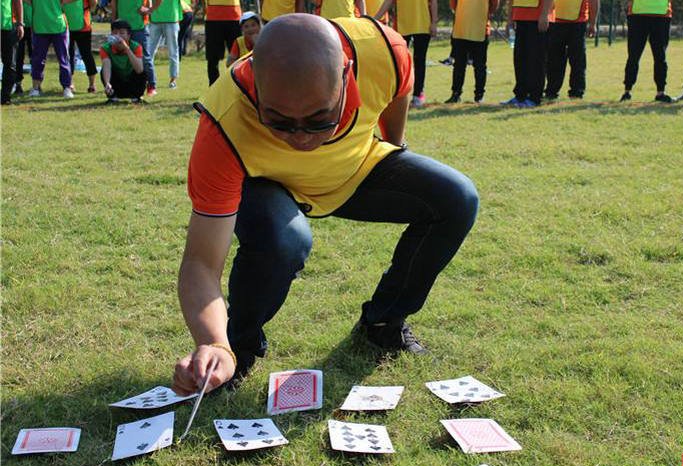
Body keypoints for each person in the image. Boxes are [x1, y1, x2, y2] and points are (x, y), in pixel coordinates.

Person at [171, 14, 478, 395]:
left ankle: (383, 323)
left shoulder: (385, 51)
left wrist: (394, 146)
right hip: (269, 185)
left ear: (346, 74)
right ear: (257, 87)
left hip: (354, 168)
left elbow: (400, 90)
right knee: (286, 240)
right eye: (279, 122)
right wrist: (213, 341)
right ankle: (236, 350)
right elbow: (201, 263)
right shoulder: (224, 123)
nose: (301, 138)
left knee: (457, 198)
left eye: (320, 119)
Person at [375, 0, 437, 108]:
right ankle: (399, 95)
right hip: (402, 26)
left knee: (419, 61)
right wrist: (375, 19)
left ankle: (418, 94)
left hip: (422, 25)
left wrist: (434, 23)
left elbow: (433, 2)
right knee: (399, 63)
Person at [501, 0, 554, 107]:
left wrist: (544, 15)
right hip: (520, 17)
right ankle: (520, 95)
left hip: (537, 18)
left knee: (536, 60)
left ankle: (534, 97)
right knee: (520, 59)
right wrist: (510, 19)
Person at [620, 0, 674, 103]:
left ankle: (660, 92)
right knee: (634, 56)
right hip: (638, 14)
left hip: (661, 15)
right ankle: (627, 90)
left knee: (660, 56)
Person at [444, 0, 497, 103]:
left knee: (480, 65)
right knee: (459, 65)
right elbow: (453, 4)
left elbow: (494, 4)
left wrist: (486, 13)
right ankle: (456, 94)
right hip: (461, 28)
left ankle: (479, 95)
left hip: (480, 29)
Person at [544, 0, 598, 100]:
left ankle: (576, 92)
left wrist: (593, 23)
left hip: (578, 21)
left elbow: (594, 1)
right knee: (553, 60)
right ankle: (551, 91)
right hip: (555, 19)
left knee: (577, 60)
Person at [27, 0, 74, 98]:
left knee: (63, 59)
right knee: (38, 59)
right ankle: (36, 88)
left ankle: (67, 87)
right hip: (40, 27)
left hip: (58, 27)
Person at [111, 0, 157, 95]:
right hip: (122, 27)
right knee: (122, 57)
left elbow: (150, 2)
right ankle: (122, 86)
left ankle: (151, 86)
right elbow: (114, 4)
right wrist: (114, 23)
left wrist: (149, 10)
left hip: (139, 27)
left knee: (145, 58)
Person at [100, 18, 146, 101]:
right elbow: (106, 66)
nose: (118, 36)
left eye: (122, 33)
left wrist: (127, 48)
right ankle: (113, 97)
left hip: (132, 84)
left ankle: (136, 98)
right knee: (103, 70)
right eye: (115, 33)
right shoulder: (105, 48)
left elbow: (139, 70)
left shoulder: (136, 46)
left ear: (128, 36)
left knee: (144, 69)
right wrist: (107, 83)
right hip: (117, 85)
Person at [201, 0, 241, 84]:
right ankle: (213, 87)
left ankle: (239, 85)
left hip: (233, 15)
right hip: (214, 15)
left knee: (238, 56)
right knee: (213, 57)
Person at [65, 0, 98, 93]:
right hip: (74, 24)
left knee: (71, 55)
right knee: (85, 55)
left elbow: (94, 2)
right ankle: (91, 85)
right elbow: (94, 3)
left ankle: (72, 84)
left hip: (79, 25)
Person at [149, 0, 181, 89]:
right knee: (149, 53)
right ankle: (149, 79)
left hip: (171, 19)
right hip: (155, 19)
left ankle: (173, 80)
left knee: (173, 51)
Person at [1, 0, 23, 104]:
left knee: (10, 63)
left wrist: (20, 23)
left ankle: (5, 97)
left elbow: (17, 1)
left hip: (8, 26)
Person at [13, 0, 31, 95]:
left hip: (34, 25)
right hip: (18, 25)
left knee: (35, 57)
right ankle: (18, 84)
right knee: (18, 57)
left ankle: (36, 85)